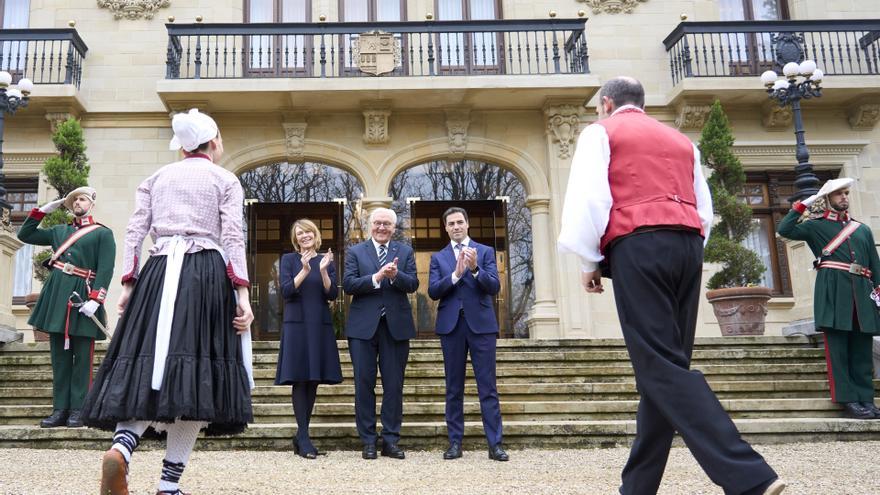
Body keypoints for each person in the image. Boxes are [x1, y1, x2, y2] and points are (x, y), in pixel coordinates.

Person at [557, 77, 785, 495]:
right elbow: (705, 208)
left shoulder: (600, 132)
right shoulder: (682, 141)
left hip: (638, 245)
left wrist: (590, 261)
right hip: (686, 246)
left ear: (606, 104)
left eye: (597, 108)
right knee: (664, 367)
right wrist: (690, 248)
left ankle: (750, 475)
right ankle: (638, 487)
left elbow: (590, 199)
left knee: (660, 366)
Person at [79, 109, 255, 495]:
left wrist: (128, 282)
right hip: (205, 273)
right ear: (214, 141)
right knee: (197, 380)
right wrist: (242, 293)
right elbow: (232, 238)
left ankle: (122, 449)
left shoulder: (156, 178)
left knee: (148, 366)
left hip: (157, 273)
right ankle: (168, 485)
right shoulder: (225, 179)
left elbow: (134, 231)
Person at [776, 177, 880, 420]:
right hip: (833, 293)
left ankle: (866, 399)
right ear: (827, 199)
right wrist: (804, 204)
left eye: (846, 193)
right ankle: (849, 400)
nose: (844, 197)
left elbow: (876, 266)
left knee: (862, 351)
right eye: (838, 194)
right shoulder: (815, 226)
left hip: (862, 295)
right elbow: (784, 230)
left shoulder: (862, 229)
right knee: (839, 351)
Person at [17, 186, 115, 429]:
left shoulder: (102, 233)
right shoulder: (59, 231)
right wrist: (41, 212)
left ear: (91, 203)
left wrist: (96, 299)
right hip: (57, 296)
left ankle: (79, 410)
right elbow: (25, 235)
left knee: (82, 358)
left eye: (82, 199)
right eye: (74, 200)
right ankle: (60, 409)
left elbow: (106, 268)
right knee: (59, 358)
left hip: (82, 296)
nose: (77, 203)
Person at [427, 207, 507, 461]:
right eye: (451, 223)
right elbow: (433, 291)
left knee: (488, 388)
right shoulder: (438, 258)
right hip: (451, 328)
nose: (456, 226)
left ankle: (495, 444)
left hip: (481, 326)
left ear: (467, 224)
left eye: (460, 222)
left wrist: (474, 270)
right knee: (453, 388)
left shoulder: (484, 252)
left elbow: (494, 286)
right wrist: (455, 274)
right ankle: (454, 443)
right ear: (446, 228)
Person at [343, 207, 418, 460]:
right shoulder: (355, 252)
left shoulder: (405, 252)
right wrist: (376, 277)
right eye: (377, 223)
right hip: (363, 329)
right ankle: (368, 441)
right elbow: (349, 285)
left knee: (394, 386)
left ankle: (390, 440)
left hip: (395, 328)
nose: (382, 227)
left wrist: (396, 276)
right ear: (370, 226)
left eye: (387, 223)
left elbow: (414, 284)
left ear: (394, 228)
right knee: (363, 385)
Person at [275, 218, 343, 458]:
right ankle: (303, 437)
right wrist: (304, 271)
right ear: (296, 239)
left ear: (315, 234)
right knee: (299, 379)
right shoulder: (289, 259)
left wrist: (323, 270)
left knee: (313, 379)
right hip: (296, 324)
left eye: (308, 232)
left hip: (319, 324)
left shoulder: (325, 259)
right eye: (299, 233)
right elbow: (285, 291)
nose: (304, 236)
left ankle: (301, 436)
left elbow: (332, 293)